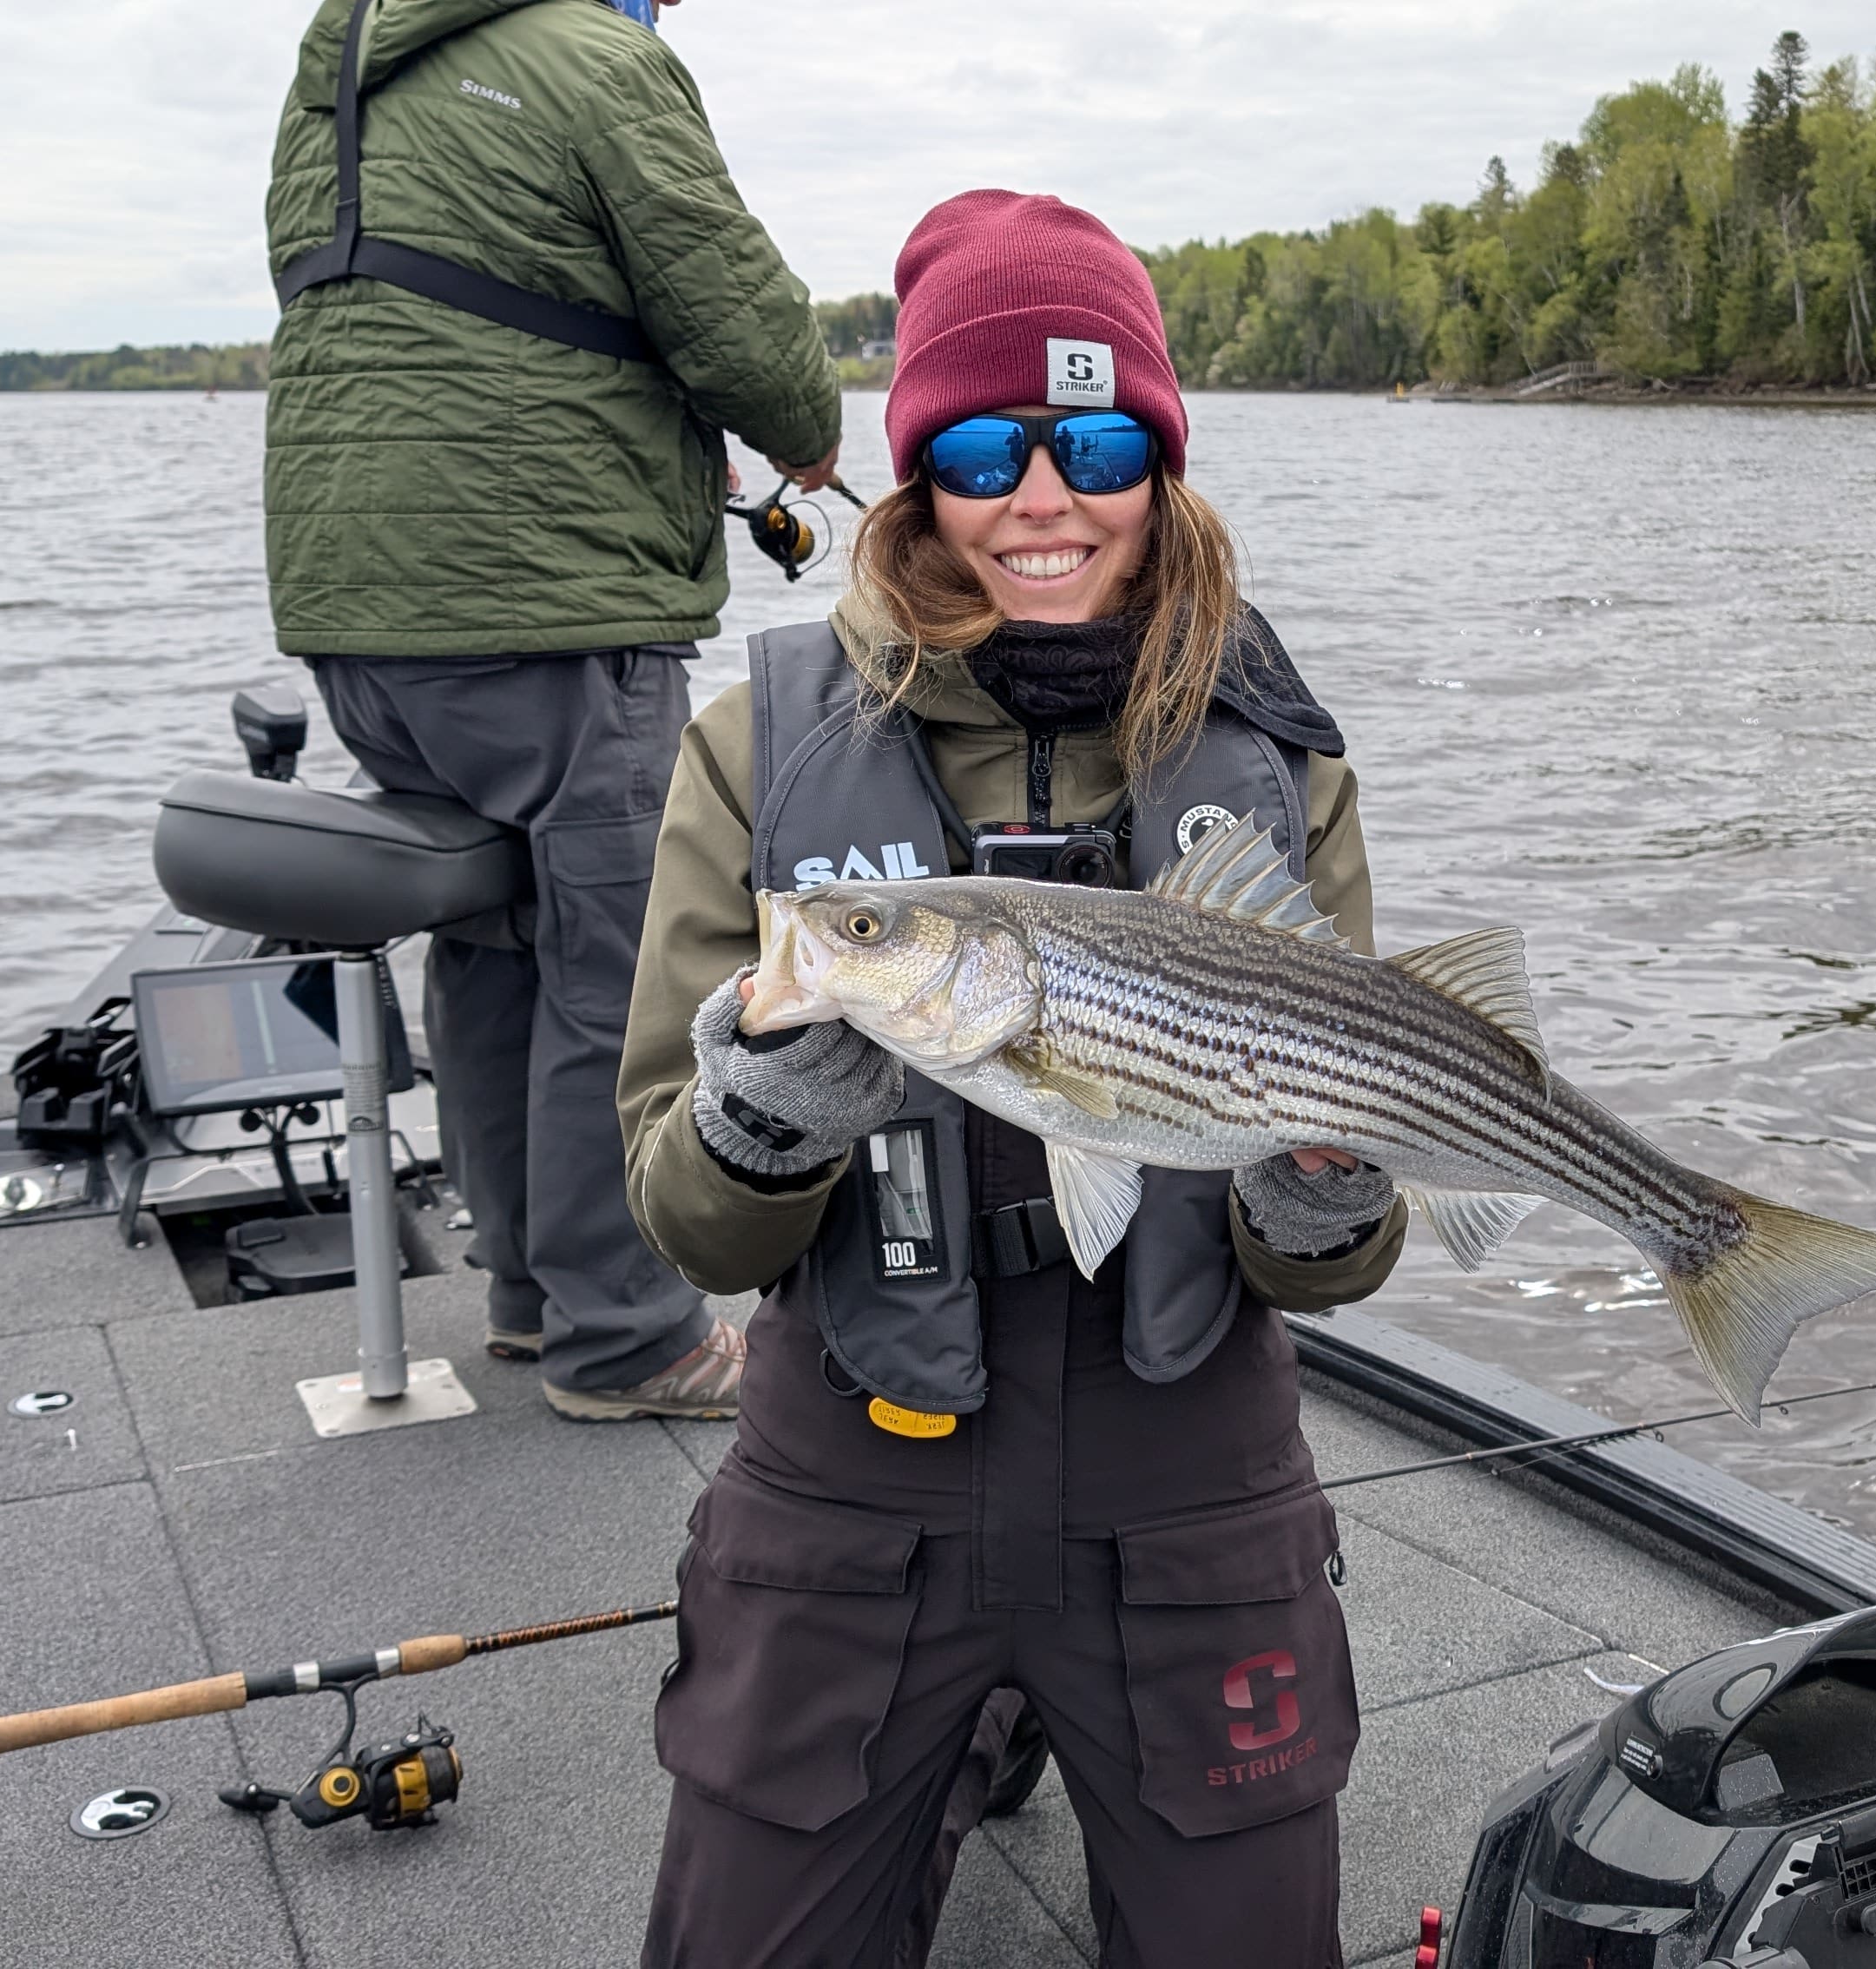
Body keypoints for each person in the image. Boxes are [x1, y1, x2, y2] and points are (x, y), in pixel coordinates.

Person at [616, 190, 1407, 1967]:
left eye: (1099, 439)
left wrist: (1330, 1194)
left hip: (1189, 1462)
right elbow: (679, 1214)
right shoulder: (758, 747)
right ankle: (968, 1721)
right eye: (980, 446)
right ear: (912, 481)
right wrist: (755, 1120)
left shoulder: (1280, 760)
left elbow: (1339, 1269)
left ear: (1165, 460)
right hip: (854, 1466)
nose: (1042, 498)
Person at [260, 0, 839, 1419]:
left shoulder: (338, 66)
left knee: (493, 942)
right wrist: (809, 434)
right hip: (544, 600)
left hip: (356, 600)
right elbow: (738, 318)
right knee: (617, 963)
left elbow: (453, 307)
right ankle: (629, 1338)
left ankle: (528, 1294)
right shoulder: (600, 56)